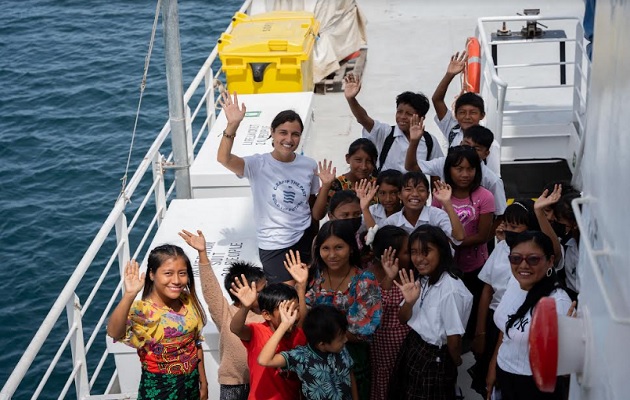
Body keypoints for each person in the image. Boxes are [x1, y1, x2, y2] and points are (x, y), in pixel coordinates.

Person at [216, 91, 320, 284]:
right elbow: (224, 158)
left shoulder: (309, 165)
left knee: (307, 290)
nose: (289, 139)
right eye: (283, 132)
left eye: (295, 134)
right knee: (285, 298)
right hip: (274, 245)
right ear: (272, 132)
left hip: (305, 238)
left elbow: (312, 202)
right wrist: (233, 125)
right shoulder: (258, 164)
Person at [106, 245, 208, 400]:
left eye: (182, 274)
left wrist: (204, 382)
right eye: (168, 273)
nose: (176, 280)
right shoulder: (143, 311)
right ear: (152, 274)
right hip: (160, 390)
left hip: (192, 385)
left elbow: (196, 344)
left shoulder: (187, 300)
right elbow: (114, 332)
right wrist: (129, 295)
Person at [179, 229, 266, 400]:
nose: (267, 293)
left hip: (264, 379)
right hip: (233, 384)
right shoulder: (225, 313)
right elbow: (211, 290)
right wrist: (202, 253)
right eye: (261, 290)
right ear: (240, 291)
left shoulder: (269, 313)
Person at [388, 225, 473, 400]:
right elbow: (403, 319)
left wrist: (455, 362)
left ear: (441, 251)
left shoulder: (450, 289)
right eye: (414, 252)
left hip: (435, 357)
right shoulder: (422, 279)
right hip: (415, 346)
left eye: (426, 252)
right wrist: (409, 303)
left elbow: (454, 340)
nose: (419, 259)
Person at [487, 231, 573, 400]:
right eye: (516, 258)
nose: (523, 266)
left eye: (533, 259)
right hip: (504, 373)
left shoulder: (558, 303)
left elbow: (566, 368)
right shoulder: (514, 282)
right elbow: (506, 330)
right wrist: (493, 366)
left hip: (534, 387)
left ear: (550, 261)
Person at [306, 220, 383, 399]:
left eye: (339, 247)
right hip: (315, 363)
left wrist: (322, 336)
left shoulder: (364, 281)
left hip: (352, 361)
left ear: (351, 248)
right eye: (325, 248)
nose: (332, 255)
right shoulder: (312, 277)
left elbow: (364, 330)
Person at [471, 200, 538, 397]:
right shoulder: (501, 248)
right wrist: (480, 332)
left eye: (514, 226)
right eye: (506, 225)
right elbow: (487, 290)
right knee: (488, 384)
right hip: (494, 322)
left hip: (520, 326)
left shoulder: (537, 257)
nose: (508, 230)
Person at [435, 145, 495, 342]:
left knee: (472, 307)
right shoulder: (440, 196)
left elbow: (483, 235)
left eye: (470, 169)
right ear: (449, 170)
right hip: (446, 266)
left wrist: (453, 243)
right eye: (459, 169)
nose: (465, 174)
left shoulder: (485, 197)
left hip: (475, 267)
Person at [343, 73, 443, 174]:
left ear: (422, 118)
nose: (402, 117)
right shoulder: (385, 133)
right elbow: (363, 119)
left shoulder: (429, 141)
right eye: (399, 112)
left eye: (409, 114)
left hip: (413, 189)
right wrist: (351, 99)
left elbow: (436, 172)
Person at [258, 303, 359, 400]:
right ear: (322, 344)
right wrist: (283, 326)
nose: (345, 340)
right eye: (341, 338)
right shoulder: (301, 357)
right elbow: (264, 360)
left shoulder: (341, 349)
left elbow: (350, 375)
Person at [405, 122, 507, 216]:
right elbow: (411, 166)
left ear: (486, 154)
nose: (469, 150)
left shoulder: (492, 180)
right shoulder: (444, 163)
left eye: (476, 149)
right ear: (461, 143)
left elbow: (500, 214)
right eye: (466, 144)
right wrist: (414, 142)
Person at [230, 279, 307, 400]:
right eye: (286, 311)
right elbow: (235, 328)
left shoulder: (300, 335)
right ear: (266, 315)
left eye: (296, 309)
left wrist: (301, 287)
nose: (293, 316)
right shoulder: (257, 331)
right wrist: (245, 308)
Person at [431, 52, 501, 175]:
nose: (467, 117)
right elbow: (437, 100)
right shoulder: (452, 130)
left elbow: (494, 177)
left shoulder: (490, 144)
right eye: (462, 112)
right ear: (456, 115)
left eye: (473, 113)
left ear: (482, 115)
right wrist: (449, 75)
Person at [367, 226, 411, 400]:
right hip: (385, 343)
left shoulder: (409, 273)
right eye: (407, 252)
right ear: (391, 255)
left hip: (405, 341)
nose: (412, 256)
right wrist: (389, 278)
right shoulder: (370, 276)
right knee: (386, 381)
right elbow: (377, 310)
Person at [380, 171, 466, 246]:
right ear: (400, 195)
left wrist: (447, 203)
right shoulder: (391, 222)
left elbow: (459, 237)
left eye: (421, 190)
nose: (415, 194)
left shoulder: (437, 215)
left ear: (428, 195)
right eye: (408, 189)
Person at [312, 139, 378, 221]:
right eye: (358, 160)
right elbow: (317, 215)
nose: (363, 166)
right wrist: (326, 186)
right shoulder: (336, 185)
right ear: (347, 158)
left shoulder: (377, 185)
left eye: (369, 161)